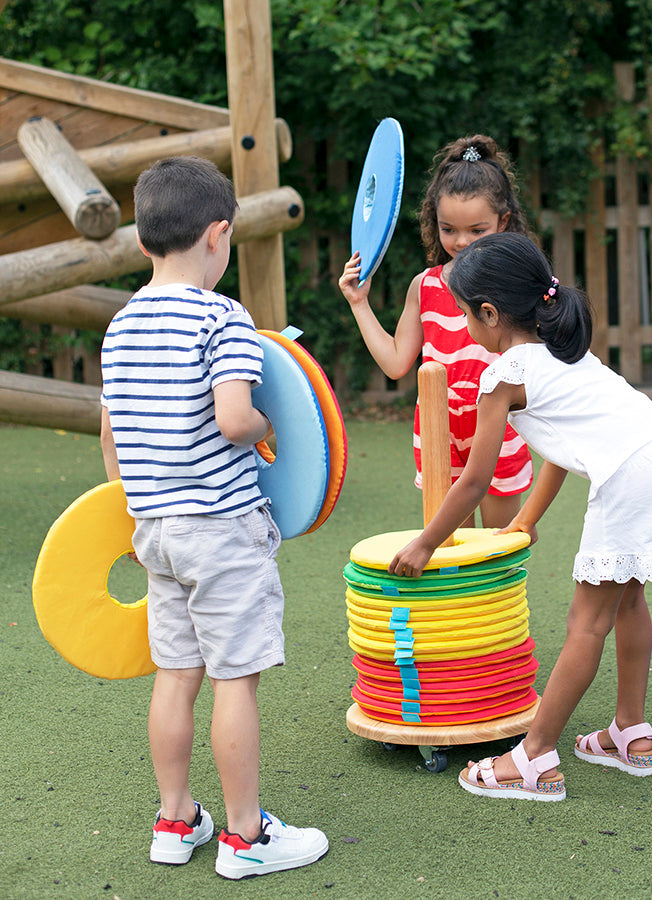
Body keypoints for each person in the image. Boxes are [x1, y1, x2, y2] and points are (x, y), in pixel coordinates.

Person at [389, 232, 652, 801]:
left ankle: (534, 757)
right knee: (628, 599)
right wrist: (526, 517)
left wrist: (426, 543)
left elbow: (473, 481)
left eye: (465, 314)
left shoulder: (502, 376)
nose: (464, 325)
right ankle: (630, 732)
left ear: (489, 314)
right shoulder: (564, 352)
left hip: (631, 474)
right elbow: (562, 449)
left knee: (586, 623)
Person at [99, 156, 329, 876]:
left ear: (144, 241)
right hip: (222, 529)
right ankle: (245, 838)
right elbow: (234, 419)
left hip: (156, 531)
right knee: (235, 679)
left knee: (175, 675)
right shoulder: (221, 316)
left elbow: (111, 436)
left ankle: (175, 821)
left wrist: (137, 510)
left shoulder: (121, 325)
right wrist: (270, 425)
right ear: (218, 235)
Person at [339, 134, 533, 527]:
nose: (461, 242)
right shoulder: (424, 286)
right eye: (449, 229)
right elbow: (396, 363)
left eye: (477, 230)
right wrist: (359, 303)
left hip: (496, 426)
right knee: (449, 546)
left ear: (503, 222)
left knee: (502, 545)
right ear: (434, 222)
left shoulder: (515, 286)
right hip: (437, 430)